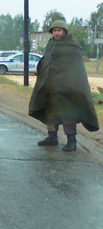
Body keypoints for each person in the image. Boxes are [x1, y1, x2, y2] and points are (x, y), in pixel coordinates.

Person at [29, 20, 99, 151]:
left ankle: (71, 141)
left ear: (64, 32)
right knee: (51, 113)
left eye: (59, 30)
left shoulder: (72, 45)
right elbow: (46, 62)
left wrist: (68, 84)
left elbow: (75, 67)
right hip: (51, 87)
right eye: (54, 30)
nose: (56, 33)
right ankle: (52, 136)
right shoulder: (51, 44)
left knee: (68, 115)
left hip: (66, 88)